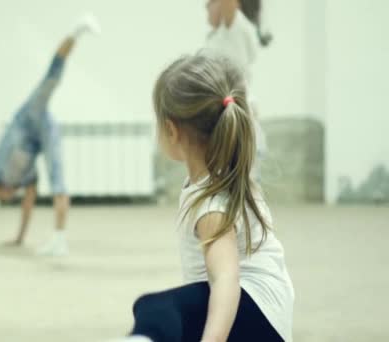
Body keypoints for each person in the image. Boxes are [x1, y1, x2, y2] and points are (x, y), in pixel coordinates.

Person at [112, 54, 294, 342]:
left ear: (171, 130)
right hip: (262, 316)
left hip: (255, 316)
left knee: (156, 311)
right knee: (170, 313)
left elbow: (226, 280)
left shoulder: (211, 204)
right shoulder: (225, 173)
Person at [0, 15, 101, 257]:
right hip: (42, 133)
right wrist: (18, 239)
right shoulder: (26, 180)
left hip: (26, 118)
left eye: (4, 198)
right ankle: (60, 239)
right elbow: (27, 210)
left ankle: (75, 32)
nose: (7, 197)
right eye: (8, 198)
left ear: (0, 192)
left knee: (51, 80)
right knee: (58, 181)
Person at [204, 0, 272, 178]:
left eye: (211, 2)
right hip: (224, 113)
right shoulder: (218, 35)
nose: (206, 6)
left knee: (240, 184)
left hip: (235, 111)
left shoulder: (234, 28)